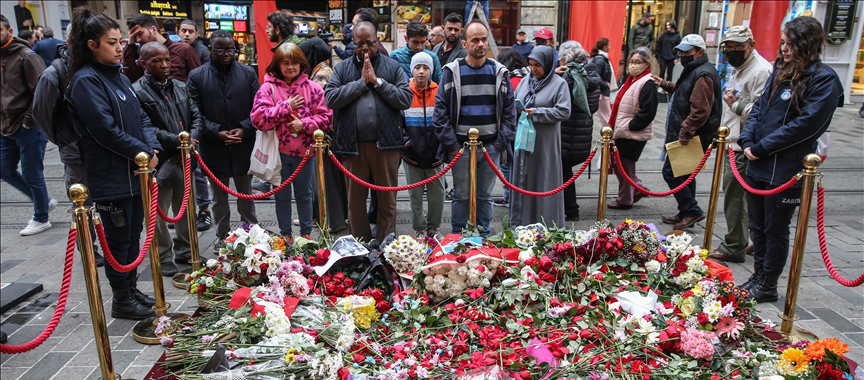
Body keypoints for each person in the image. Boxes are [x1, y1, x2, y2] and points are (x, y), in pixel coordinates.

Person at [737, 16, 843, 302]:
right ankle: (758, 274)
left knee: (775, 227)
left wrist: (763, 147)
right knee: (757, 226)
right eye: (782, 42)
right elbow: (759, 107)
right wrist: (747, 140)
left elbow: (806, 125)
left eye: (789, 43)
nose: (783, 48)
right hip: (758, 163)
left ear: (805, 44)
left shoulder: (824, 80)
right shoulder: (781, 69)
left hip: (786, 168)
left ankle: (769, 282)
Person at [65, 6, 161, 320]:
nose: (120, 48)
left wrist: (151, 148)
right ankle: (121, 298)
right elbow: (104, 130)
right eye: (112, 42)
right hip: (110, 177)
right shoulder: (85, 81)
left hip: (135, 173)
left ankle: (130, 289)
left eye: (120, 41)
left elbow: (141, 116)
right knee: (119, 239)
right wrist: (139, 153)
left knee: (132, 236)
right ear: (92, 45)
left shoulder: (116, 76)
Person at [325, 21, 412, 243]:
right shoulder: (342, 68)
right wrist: (361, 84)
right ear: (352, 43)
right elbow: (330, 98)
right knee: (355, 202)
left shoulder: (392, 67)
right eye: (359, 44)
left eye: (370, 43)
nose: (365, 49)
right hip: (352, 147)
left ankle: (387, 246)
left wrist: (378, 82)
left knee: (387, 201)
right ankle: (360, 247)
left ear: (377, 40)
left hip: (386, 146)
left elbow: (405, 98)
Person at [434, 21, 516, 235]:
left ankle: (484, 235)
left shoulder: (500, 72)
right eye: (475, 40)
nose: (480, 44)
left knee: (484, 195)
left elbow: (510, 112)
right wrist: (452, 146)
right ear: (464, 43)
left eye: (484, 39)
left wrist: (499, 144)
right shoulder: (452, 72)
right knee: (461, 194)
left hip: (491, 148)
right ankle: (459, 234)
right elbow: (440, 111)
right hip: (460, 149)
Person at [32, 22, 104, 265]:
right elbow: (42, 115)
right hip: (77, 154)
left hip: (106, 150)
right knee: (83, 204)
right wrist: (65, 141)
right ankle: (88, 248)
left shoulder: (104, 67)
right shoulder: (54, 74)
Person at [133, 42, 204, 276]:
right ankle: (164, 255)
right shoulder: (137, 91)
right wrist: (178, 142)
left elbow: (196, 117)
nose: (165, 65)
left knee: (185, 209)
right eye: (157, 61)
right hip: (161, 160)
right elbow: (146, 128)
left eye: (167, 60)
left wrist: (189, 141)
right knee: (158, 213)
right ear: (144, 64)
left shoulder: (181, 87)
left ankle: (186, 250)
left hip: (184, 158)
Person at [251, 42, 332, 241]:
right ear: (277, 65)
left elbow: (327, 119)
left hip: (305, 154)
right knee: (282, 196)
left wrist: (304, 124)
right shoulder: (267, 89)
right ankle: (285, 235)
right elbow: (258, 119)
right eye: (286, 63)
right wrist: (285, 107)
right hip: (278, 153)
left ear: (302, 64)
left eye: (295, 63)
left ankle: (306, 235)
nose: (291, 67)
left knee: (305, 195)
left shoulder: (313, 89)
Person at [707, 26, 772, 264]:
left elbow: (762, 113)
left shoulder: (761, 71)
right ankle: (753, 239)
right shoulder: (740, 67)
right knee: (743, 197)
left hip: (743, 145)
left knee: (735, 196)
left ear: (751, 45)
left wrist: (735, 106)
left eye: (737, 46)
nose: (731, 51)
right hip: (735, 141)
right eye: (728, 47)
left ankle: (734, 245)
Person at [187, 30, 259, 240]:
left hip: (243, 144)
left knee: (246, 194)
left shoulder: (248, 73)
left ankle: (252, 235)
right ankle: (222, 236)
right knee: (219, 199)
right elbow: (194, 111)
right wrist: (215, 131)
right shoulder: (197, 76)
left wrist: (245, 128)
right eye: (220, 49)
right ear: (210, 49)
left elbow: (257, 108)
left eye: (231, 49)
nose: (227, 54)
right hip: (213, 146)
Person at [653, 34, 721, 230]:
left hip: (693, 135)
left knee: (671, 172)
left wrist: (686, 130)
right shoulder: (695, 70)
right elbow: (684, 91)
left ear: (700, 52)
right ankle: (685, 211)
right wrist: (665, 84)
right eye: (681, 51)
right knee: (685, 173)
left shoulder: (703, 74)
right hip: (692, 134)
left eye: (687, 52)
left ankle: (691, 210)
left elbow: (701, 109)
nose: (682, 55)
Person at [1, 14, 56, 237]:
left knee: (33, 173)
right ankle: (42, 199)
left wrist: (28, 121)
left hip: (27, 126)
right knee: (4, 169)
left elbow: (41, 92)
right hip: (5, 126)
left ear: (9, 31)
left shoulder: (26, 56)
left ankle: (41, 217)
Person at [509, 45, 570, 227]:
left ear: (548, 64)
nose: (533, 69)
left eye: (538, 65)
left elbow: (564, 111)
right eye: (531, 64)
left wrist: (536, 113)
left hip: (544, 144)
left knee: (544, 180)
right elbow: (514, 98)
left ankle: (547, 225)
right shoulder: (525, 81)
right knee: (524, 180)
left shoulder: (559, 84)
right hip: (523, 143)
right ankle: (522, 224)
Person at [557, 41, 603, 220]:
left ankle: (570, 210)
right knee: (565, 171)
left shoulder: (570, 76)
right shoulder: (590, 74)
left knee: (563, 171)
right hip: (581, 132)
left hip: (569, 132)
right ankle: (568, 209)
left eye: (560, 58)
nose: (558, 61)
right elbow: (592, 106)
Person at [608, 47, 658, 209]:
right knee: (621, 165)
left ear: (646, 63)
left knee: (624, 167)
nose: (633, 65)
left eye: (638, 62)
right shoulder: (631, 80)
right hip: (623, 130)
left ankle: (625, 199)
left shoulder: (647, 82)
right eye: (631, 61)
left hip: (631, 132)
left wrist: (631, 125)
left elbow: (648, 110)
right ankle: (638, 189)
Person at [401, 52, 444, 238]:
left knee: (438, 194)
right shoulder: (405, 91)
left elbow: (444, 120)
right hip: (412, 154)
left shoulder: (439, 92)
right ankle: (419, 229)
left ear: (431, 71)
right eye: (417, 68)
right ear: (412, 70)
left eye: (425, 68)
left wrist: (442, 144)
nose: (421, 72)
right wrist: (406, 142)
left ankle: (433, 227)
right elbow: (398, 121)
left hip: (435, 154)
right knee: (415, 196)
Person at [179, 19, 213, 231]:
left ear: (197, 33)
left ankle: (203, 209)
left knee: (199, 171)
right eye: (183, 31)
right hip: (181, 118)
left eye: (191, 31)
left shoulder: (200, 53)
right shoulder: (173, 49)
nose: (187, 34)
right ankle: (183, 212)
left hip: (195, 121)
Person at [492, 49, 529, 208]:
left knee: (507, 165)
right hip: (524, 128)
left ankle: (509, 196)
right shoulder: (526, 76)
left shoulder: (511, 80)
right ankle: (512, 196)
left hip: (511, 128)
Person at [123, 13, 201, 83]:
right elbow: (131, 78)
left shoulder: (184, 50)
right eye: (134, 36)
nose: (138, 39)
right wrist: (130, 44)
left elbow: (198, 80)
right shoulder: (144, 55)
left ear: (153, 29)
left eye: (140, 34)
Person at [591, 37, 617, 125]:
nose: (610, 47)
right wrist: (605, 85)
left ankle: (608, 135)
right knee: (606, 116)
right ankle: (608, 135)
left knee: (605, 115)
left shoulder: (601, 58)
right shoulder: (600, 59)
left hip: (601, 91)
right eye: (609, 45)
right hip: (601, 93)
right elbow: (595, 74)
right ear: (605, 47)